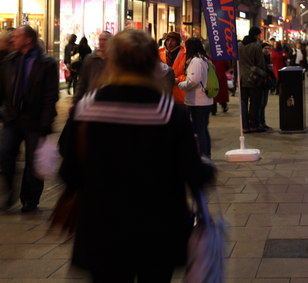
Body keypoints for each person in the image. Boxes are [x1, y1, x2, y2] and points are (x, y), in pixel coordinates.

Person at [56, 30, 213, 282]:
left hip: (101, 229)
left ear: (113, 61)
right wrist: (205, 168)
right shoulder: (169, 112)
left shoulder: (87, 109)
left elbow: (69, 172)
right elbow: (193, 174)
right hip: (158, 231)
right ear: (152, 62)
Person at [0, 25, 59, 212]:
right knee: (6, 154)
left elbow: (51, 95)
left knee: (34, 162)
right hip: (12, 118)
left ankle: (30, 199)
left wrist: (46, 120)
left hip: (35, 119)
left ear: (28, 40)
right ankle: (9, 193)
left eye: (16, 37)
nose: (12, 40)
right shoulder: (9, 61)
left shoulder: (47, 63)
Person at [178, 38, 214, 158]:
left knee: (199, 129)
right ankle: (206, 153)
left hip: (198, 100)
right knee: (202, 128)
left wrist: (180, 84)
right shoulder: (204, 59)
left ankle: (203, 154)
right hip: (203, 99)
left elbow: (193, 80)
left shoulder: (196, 61)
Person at [238, 26, 267, 132]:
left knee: (243, 102)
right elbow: (260, 63)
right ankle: (254, 124)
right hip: (253, 78)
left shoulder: (239, 45)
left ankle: (245, 126)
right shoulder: (256, 46)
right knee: (255, 102)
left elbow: (235, 63)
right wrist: (264, 74)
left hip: (241, 78)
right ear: (256, 35)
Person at [73, 31, 112, 103]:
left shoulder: (114, 59)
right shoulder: (90, 59)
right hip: (91, 99)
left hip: (109, 100)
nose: (102, 42)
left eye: (105, 40)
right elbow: (82, 81)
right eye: (100, 40)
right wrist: (75, 101)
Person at [159, 31, 186, 104]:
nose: (169, 43)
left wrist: (177, 80)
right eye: (167, 40)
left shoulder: (185, 54)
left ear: (177, 42)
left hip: (179, 95)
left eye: (173, 41)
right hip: (162, 94)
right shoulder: (159, 53)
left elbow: (190, 75)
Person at [259, 42, 276, 130]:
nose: (267, 50)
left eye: (268, 49)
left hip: (266, 83)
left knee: (264, 103)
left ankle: (263, 122)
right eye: (265, 48)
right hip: (261, 82)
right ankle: (260, 123)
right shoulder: (260, 58)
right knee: (261, 104)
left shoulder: (268, 57)